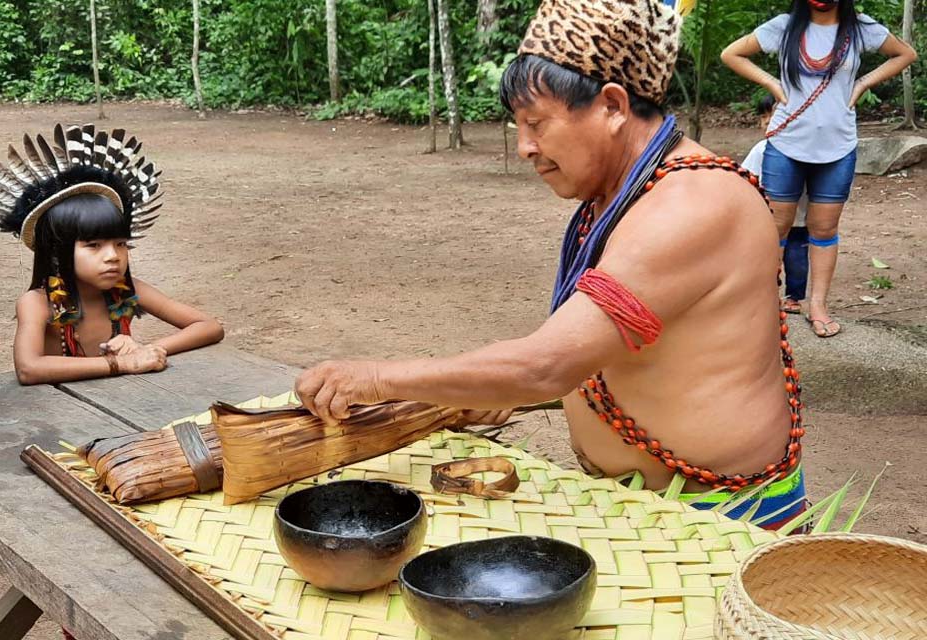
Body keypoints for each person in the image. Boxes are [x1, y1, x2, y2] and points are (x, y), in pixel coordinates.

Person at [295, 0, 810, 529]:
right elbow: (611, 354)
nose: (524, 147)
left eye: (536, 123)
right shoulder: (625, 194)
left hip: (718, 518)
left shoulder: (691, 204)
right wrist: (496, 393)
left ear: (612, 106)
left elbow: (547, 365)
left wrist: (376, 379)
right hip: (641, 505)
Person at [0, 124, 224, 385]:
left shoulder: (128, 291)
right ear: (58, 250)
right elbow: (29, 368)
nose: (113, 256)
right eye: (94, 245)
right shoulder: (37, 303)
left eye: (121, 244)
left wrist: (145, 349)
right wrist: (119, 363)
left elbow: (209, 326)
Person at [722, 0, 916, 336]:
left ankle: (818, 305)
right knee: (776, 226)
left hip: (838, 147)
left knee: (823, 229)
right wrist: (772, 84)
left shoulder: (860, 28)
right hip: (786, 145)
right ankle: (763, 302)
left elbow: (905, 54)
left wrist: (862, 83)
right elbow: (732, 53)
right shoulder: (783, 26)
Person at [742, 95, 809, 314]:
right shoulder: (762, 150)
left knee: (797, 261)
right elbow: (746, 179)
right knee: (766, 258)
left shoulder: (811, 152)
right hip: (768, 221)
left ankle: (794, 298)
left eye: (773, 114)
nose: (766, 121)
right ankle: (766, 295)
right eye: (763, 116)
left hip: (800, 220)